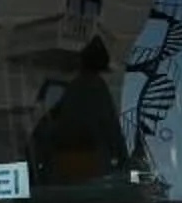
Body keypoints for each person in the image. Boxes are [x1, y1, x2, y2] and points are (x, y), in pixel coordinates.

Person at [31, 38, 127, 185]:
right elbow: (112, 128)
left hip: (72, 171)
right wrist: (123, 161)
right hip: (88, 173)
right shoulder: (94, 89)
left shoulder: (78, 88)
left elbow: (49, 126)